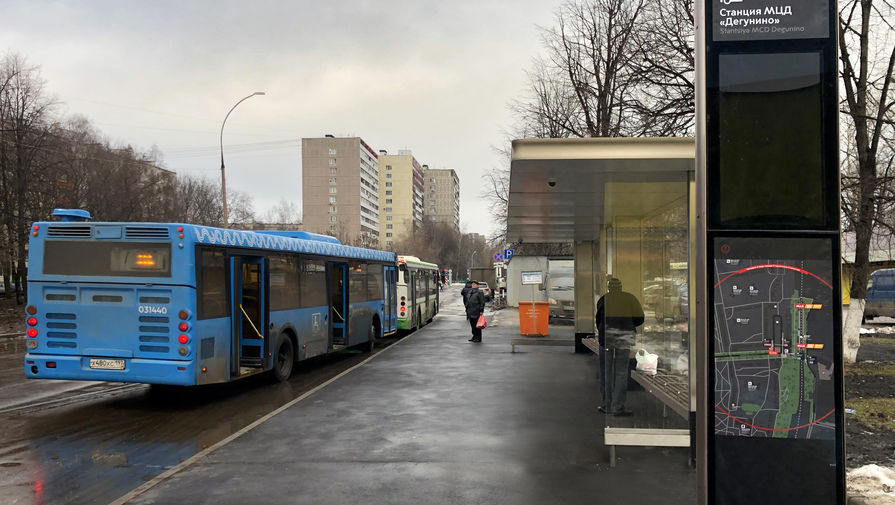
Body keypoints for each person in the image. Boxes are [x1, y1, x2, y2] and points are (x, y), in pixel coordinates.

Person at [595, 277, 644, 416]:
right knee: (621, 373)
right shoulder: (630, 298)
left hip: (607, 340)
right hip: (624, 339)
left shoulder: (604, 300)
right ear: (621, 287)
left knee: (606, 372)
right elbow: (640, 317)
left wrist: (604, 331)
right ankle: (618, 406)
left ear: (609, 288)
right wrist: (628, 327)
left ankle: (606, 405)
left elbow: (598, 319)